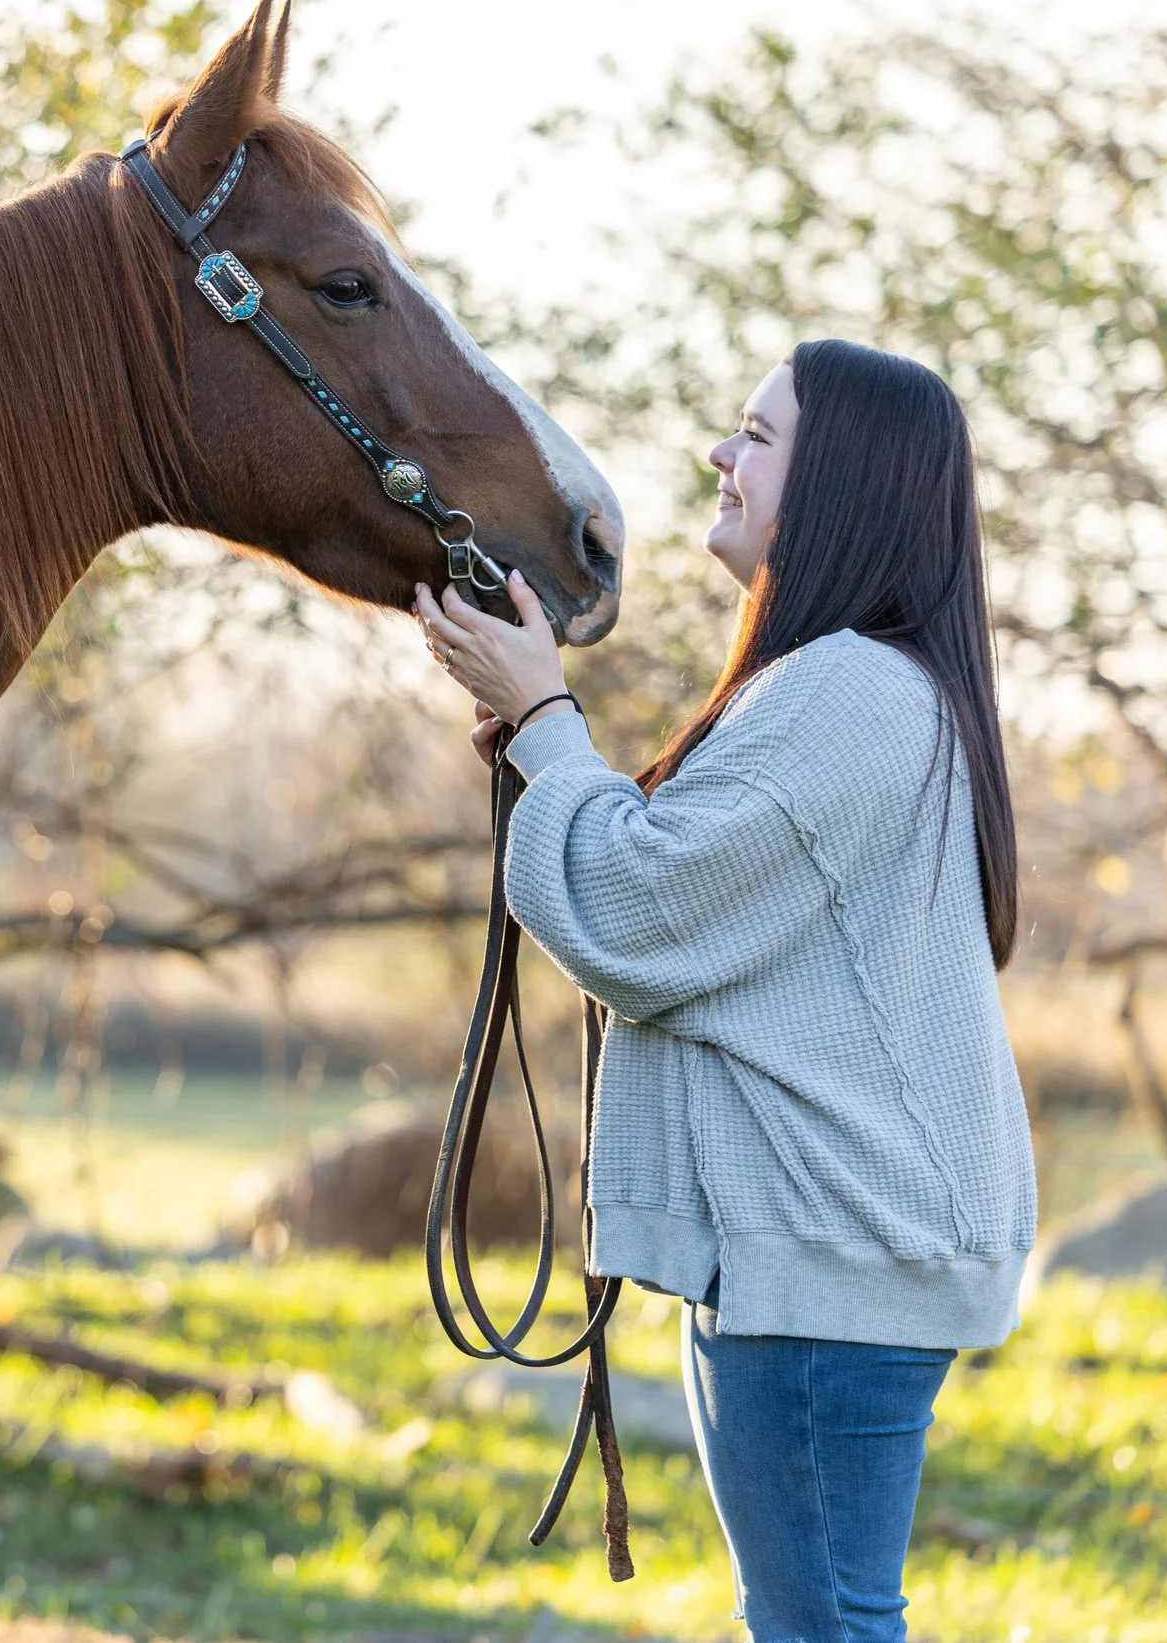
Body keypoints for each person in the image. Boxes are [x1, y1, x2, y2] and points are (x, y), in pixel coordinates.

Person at [413, 339, 1035, 1643]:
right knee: (819, 1617)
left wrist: (546, 721)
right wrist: (538, 740)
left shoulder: (850, 690)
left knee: (820, 1626)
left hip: (827, 1264)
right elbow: (685, 892)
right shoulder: (854, 687)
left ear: (842, 479)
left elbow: (641, 909)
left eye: (756, 434)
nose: (720, 454)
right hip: (817, 1258)